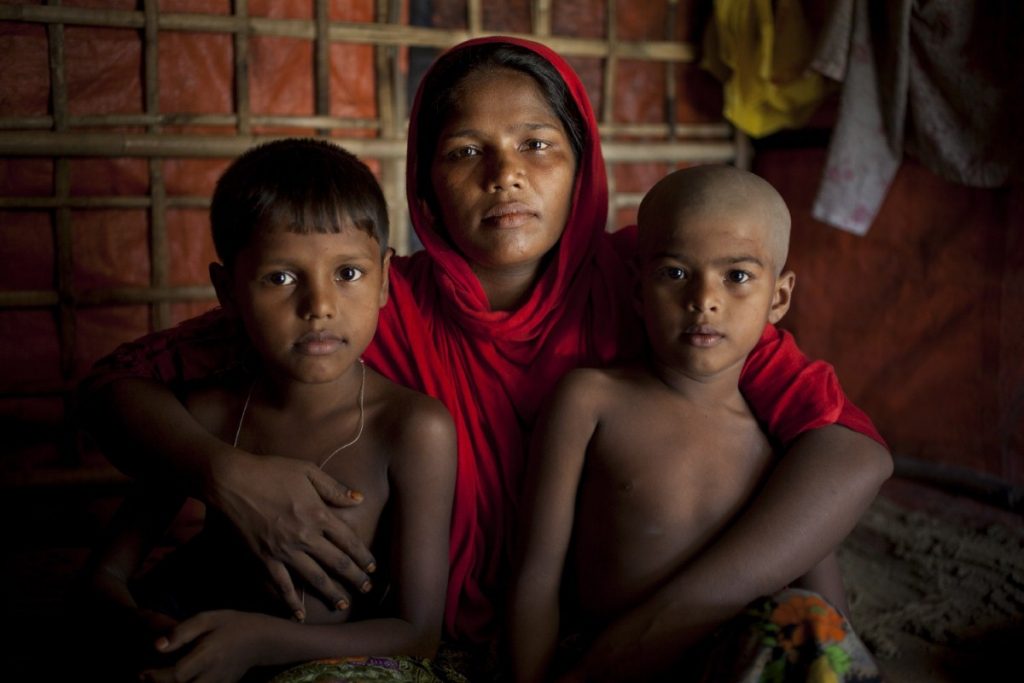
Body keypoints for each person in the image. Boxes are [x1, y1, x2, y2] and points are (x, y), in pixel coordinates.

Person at [80, 37, 892, 677]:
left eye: (538, 144)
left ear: (583, 169)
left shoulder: (663, 285)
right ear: (426, 189)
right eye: (467, 151)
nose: (507, 175)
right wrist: (228, 475)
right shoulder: (368, 302)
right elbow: (116, 387)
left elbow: (846, 451)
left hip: (619, 626)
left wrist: (652, 631)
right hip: (434, 638)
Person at [80, 139, 456, 682]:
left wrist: (256, 642)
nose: (319, 305)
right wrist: (149, 629)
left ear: (383, 279)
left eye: (348, 273)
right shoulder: (207, 416)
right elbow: (103, 578)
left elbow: (417, 635)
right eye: (280, 278)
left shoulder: (412, 429)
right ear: (227, 291)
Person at [508, 165, 878, 683]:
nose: (704, 299)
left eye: (738, 276)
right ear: (638, 290)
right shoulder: (591, 401)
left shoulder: (781, 441)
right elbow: (536, 578)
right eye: (675, 273)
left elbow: (826, 613)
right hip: (609, 664)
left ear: (780, 298)